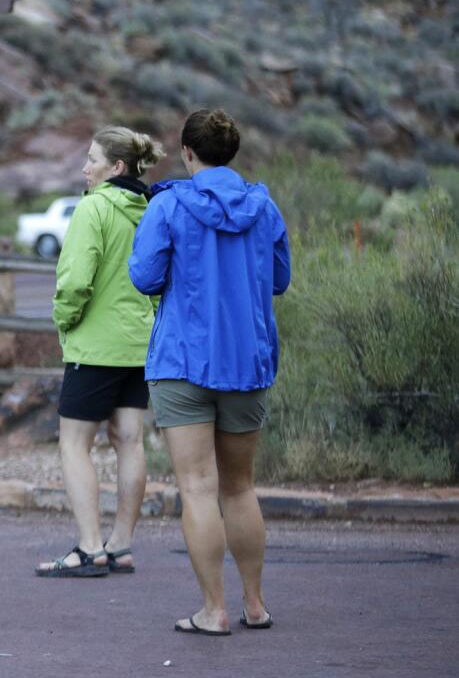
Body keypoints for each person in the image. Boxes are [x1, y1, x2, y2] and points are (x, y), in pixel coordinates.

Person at [129, 109, 290, 636]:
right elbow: (281, 279)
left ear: (187, 152)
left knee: (198, 488)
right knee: (240, 488)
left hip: (182, 362)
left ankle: (213, 610)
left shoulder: (171, 204)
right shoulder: (264, 206)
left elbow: (146, 276)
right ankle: (255, 604)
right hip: (248, 363)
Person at [36, 127, 164, 578]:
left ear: (117, 168)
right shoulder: (150, 209)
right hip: (138, 344)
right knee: (130, 440)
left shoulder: (94, 208)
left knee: (74, 444)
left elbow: (74, 281)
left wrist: (64, 318)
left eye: (92, 160)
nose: (84, 168)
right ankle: (121, 545)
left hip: (94, 346)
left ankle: (90, 548)